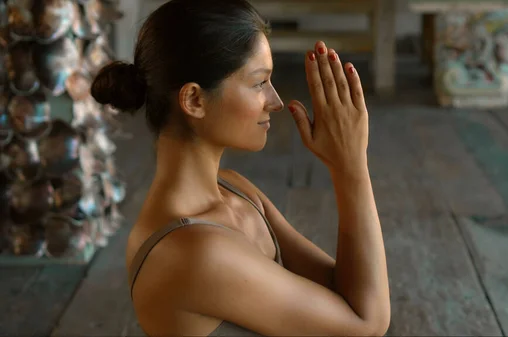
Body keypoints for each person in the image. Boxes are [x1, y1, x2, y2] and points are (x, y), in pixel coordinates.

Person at [91, 0, 390, 336]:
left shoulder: (236, 190)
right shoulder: (193, 251)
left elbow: (344, 292)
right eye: (259, 83)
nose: (275, 101)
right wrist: (350, 167)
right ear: (194, 101)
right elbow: (367, 323)